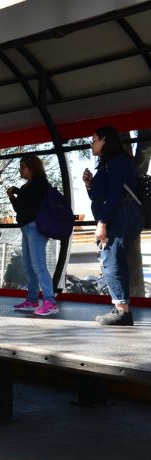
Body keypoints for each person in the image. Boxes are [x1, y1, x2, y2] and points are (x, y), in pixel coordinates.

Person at [82, 126, 144, 326]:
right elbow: (101, 196)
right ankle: (120, 308)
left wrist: (102, 222)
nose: (91, 144)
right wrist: (89, 185)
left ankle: (122, 312)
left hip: (120, 215)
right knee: (115, 259)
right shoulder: (110, 163)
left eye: (94, 139)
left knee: (110, 259)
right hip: (121, 214)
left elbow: (116, 194)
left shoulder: (117, 161)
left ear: (105, 141)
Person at [6, 156, 57, 316]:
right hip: (26, 228)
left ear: (32, 167)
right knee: (29, 267)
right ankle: (32, 299)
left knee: (39, 266)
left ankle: (50, 301)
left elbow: (32, 203)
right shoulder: (28, 186)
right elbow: (21, 209)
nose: (21, 170)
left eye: (23, 167)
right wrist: (13, 197)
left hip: (35, 228)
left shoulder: (40, 183)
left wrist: (19, 193)